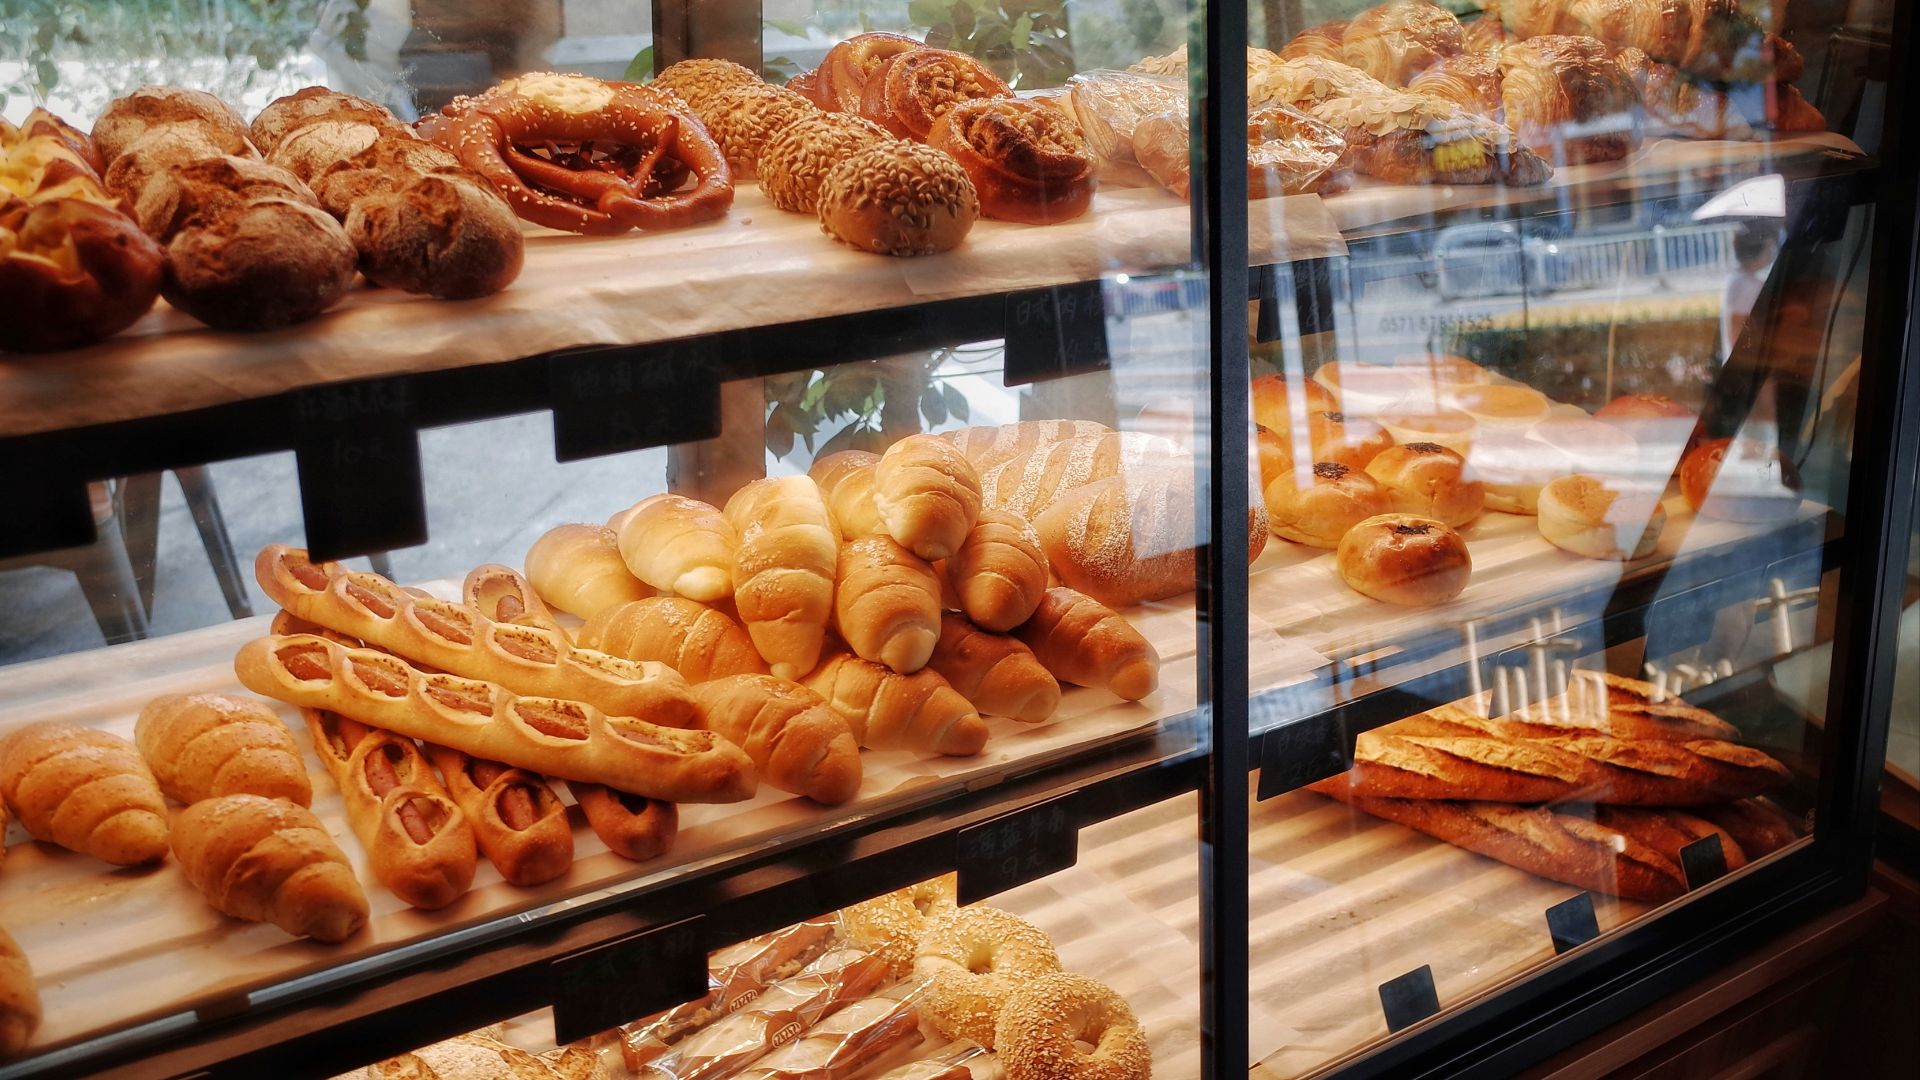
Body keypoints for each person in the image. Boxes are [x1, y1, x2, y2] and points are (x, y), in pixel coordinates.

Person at [1720, 224, 1776, 363]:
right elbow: (1737, 333)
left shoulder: (1738, 280)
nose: (1771, 252)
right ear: (1758, 251)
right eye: (1769, 248)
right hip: (1747, 367)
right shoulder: (1746, 285)